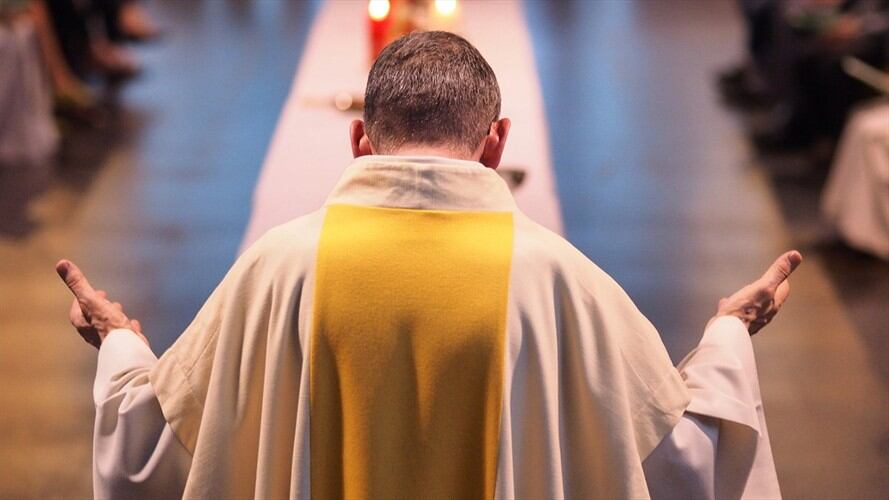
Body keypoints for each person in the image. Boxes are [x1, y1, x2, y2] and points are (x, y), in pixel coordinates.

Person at [57, 31, 802, 499]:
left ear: (358, 139)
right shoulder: (561, 281)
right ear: (498, 140)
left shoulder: (277, 269)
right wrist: (727, 336)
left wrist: (119, 343)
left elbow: (158, 446)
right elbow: (677, 458)